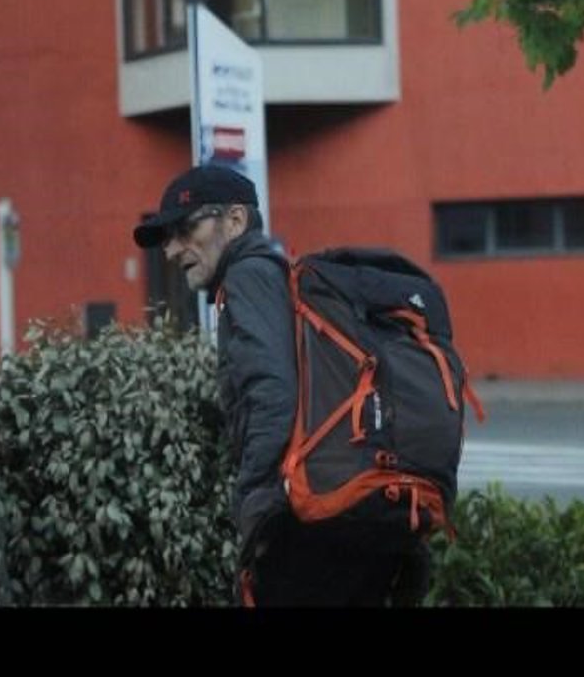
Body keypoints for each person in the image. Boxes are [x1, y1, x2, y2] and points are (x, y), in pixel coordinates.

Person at [134, 164, 428, 607]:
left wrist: (252, 500)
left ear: (235, 220)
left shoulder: (247, 276)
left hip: (306, 524)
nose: (172, 249)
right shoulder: (276, 276)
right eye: (166, 238)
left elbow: (272, 392)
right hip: (347, 513)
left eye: (184, 229)